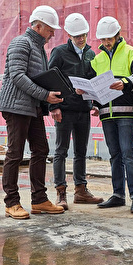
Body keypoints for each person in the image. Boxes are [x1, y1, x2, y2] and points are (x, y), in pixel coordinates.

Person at [0, 5, 66, 219]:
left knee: (41, 150)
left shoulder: (39, 48)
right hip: (16, 107)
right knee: (15, 153)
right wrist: (45, 95)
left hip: (32, 106)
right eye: (50, 29)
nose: (53, 33)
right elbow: (17, 76)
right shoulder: (21, 43)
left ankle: (39, 200)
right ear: (38, 26)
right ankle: (11, 202)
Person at [89, 16, 133, 213]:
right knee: (115, 154)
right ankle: (118, 195)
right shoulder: (97, 60)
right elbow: (95, 85)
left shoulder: (132, 53)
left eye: (110, 39)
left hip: (126, 111)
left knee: (127, 152)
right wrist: (93, 101)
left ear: (118, 35)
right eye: (103, 40)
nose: (106, 43)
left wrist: (125, 83)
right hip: (106, 113)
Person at [49, 13, 103, 209]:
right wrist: (53, 106)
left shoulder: (90, 53)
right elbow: (51, 79)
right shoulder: (59, 52)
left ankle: (80, 191)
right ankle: (61, 192)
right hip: (64, 109)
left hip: (83, 109)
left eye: (83, 35)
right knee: (61, 151)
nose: (81, 39)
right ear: (69, 35)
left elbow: (94, 79)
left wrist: (96, 103)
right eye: (77, 36)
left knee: (81, 151)